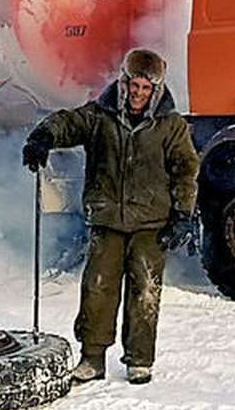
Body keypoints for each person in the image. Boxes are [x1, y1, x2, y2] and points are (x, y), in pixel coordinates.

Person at [22, 48, 200, 385]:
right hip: (107, 220)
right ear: (123, 82)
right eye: (134, 85)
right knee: (98, 289)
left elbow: (185, 170)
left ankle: (139, 359)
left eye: (146, 89)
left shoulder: (171, 126)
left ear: (156, 91)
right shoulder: (99, 116)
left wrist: (183, 215)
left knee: (145, 290)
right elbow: (68, 123)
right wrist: (42, 137)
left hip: (151, 223)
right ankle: (92, 358)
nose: (138, 94)